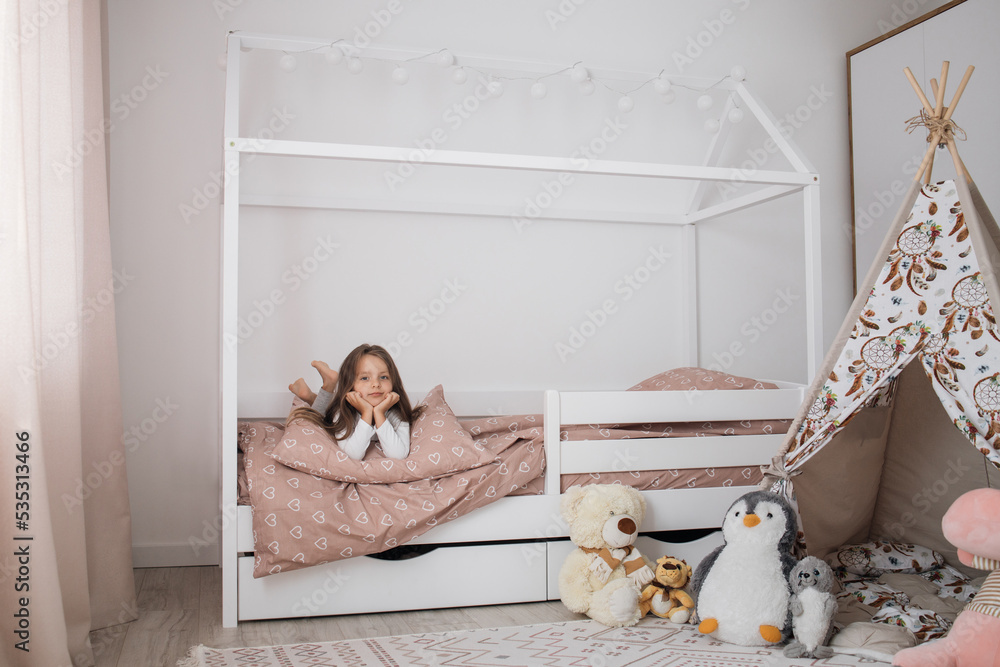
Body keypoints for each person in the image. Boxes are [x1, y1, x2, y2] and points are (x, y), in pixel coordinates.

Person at [287, 344, 424, 460]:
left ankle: (311, 397)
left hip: (377, 410)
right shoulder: (342, 412)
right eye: (365, 378)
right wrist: (366, 413)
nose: (376, 384)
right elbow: (353, 455)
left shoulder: (396, 412)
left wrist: (379, 413)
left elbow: (398, 455)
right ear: (350, 384)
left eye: (383, 377)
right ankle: (327, 386)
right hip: (337, 410)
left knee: (325, 412)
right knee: (318, 419)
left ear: (394, 383)